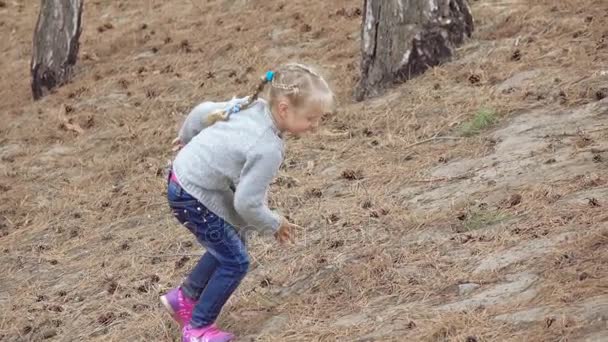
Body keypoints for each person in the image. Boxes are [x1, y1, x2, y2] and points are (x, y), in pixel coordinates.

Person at [160, 63, 335, 342]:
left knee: (233, 240)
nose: (315, 126)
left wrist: (186, 140)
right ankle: (197, 328)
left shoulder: (250, 105)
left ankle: (184, 297)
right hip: (193, 195)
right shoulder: (267, 148)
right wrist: (274, 224)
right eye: (311, 118)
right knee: (236, 261)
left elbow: (203, 110)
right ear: (284, 108)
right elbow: (247, 203)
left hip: (182, 179)